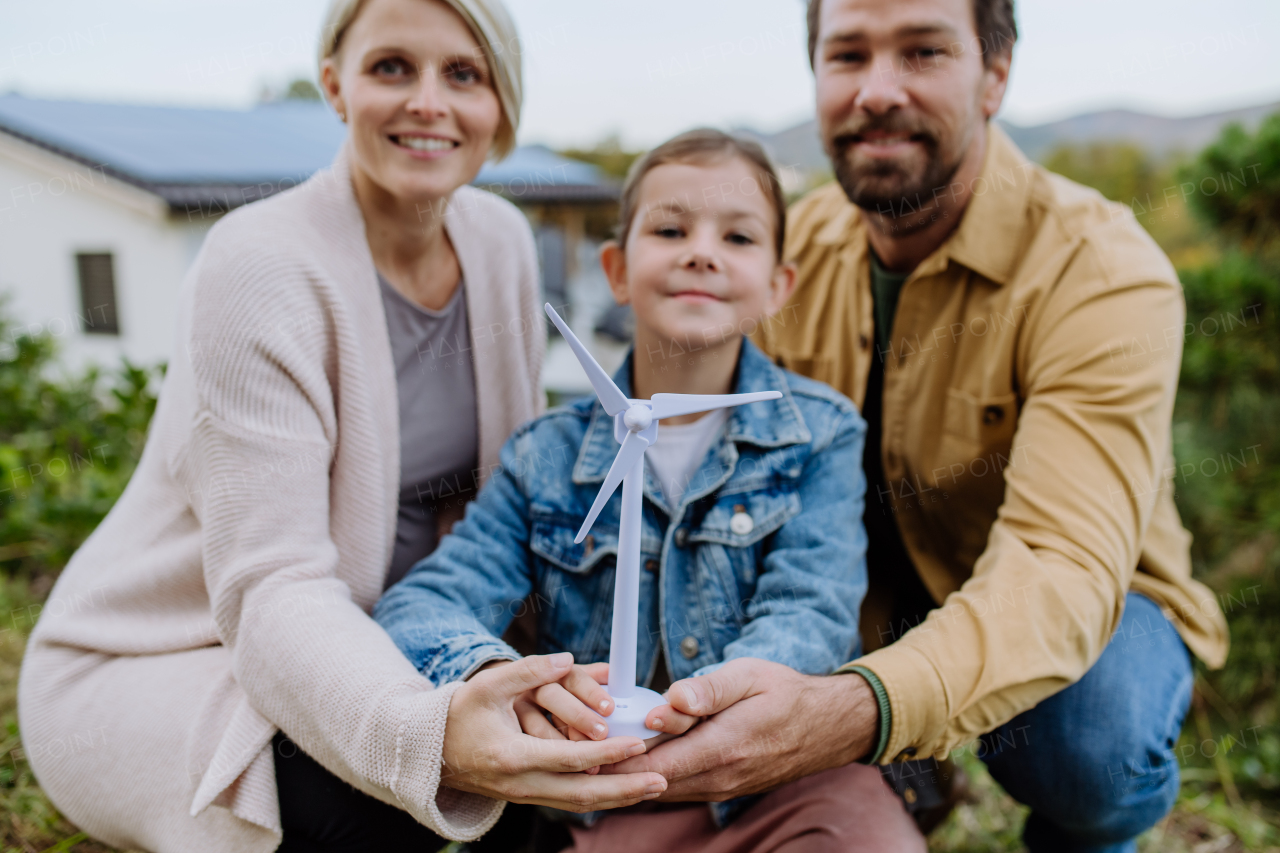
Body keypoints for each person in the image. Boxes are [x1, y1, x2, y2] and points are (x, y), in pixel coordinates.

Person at [16, 1, 668, 851]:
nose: (428, 101)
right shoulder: (258, 265)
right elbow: (271, 586)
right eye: (392, 67)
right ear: (335, 86)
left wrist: (501, 671)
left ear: (501, 106)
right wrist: (429, 728)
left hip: (402, 638)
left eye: (463, 74)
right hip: (177, 658)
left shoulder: (502, 241)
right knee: (373, 805)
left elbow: (501, 509)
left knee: (525, 800)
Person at [600, 1, 1231, 851]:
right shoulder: (784, 254)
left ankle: (1082, 828)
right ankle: (892, 778)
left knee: (1095, 745)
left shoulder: (1104, 273)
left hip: (1086, 592)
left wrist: (856, 711)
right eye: (848, 55)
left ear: (996, 74)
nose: (877, 91)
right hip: (859, 584)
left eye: (923, 52)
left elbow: (1060, 564)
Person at [374, 128, 927, 852]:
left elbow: (812, 610)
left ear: (778, 286)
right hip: (598, 792)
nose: (701, 251)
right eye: (670, 229)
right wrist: (505, 677)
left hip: (771, 786)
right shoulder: (545, 454)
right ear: (617, 270)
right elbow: (422, 604)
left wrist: (709, 705)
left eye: (737, 236)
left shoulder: (819, 434)